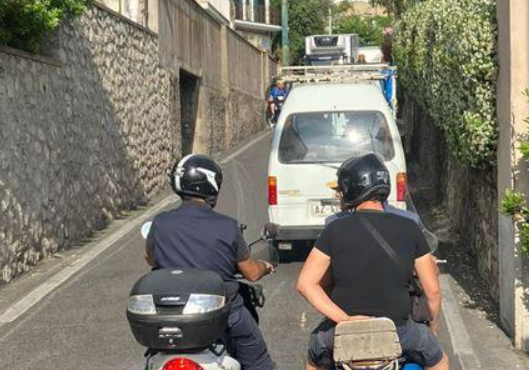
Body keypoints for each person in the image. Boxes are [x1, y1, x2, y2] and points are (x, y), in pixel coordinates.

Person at [297, 153, 449, 370]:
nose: (339, 195)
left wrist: (345, 320)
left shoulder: (334, 230)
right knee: (439, 361)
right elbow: (432, 291)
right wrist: (433, 327)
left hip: (344, 332)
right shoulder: (410, 228)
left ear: (352, 189)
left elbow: (305, 283)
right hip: (399, 330)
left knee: (314, 356)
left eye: (341, 189)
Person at [145, 154, 275, 370]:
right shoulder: (227, 226)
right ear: (211, 185)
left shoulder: (160, 222)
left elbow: (150, 257)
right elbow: (251, 272)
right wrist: (265, 265)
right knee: (257, 358)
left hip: (173, 314)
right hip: (223, 311)